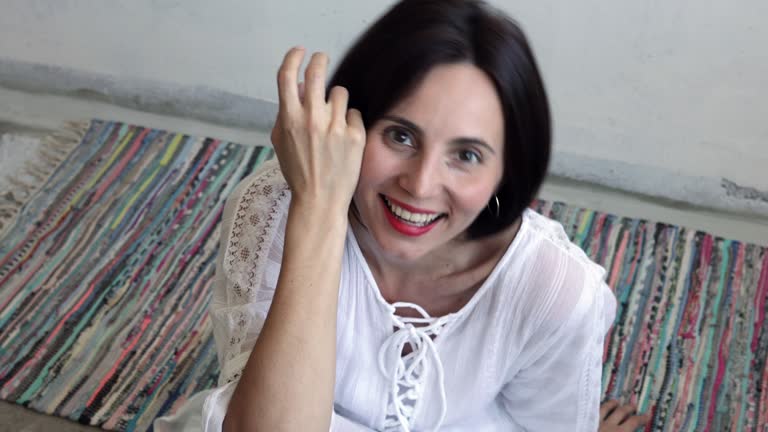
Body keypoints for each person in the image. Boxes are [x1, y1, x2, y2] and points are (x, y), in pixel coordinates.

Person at [154, 0, 651, 430]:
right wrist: (320, 212)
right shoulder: (272, 214)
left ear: (508, 169)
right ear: (353, 123)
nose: (419, 185)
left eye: (467, 155)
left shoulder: (556, 293)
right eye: (400, 136)